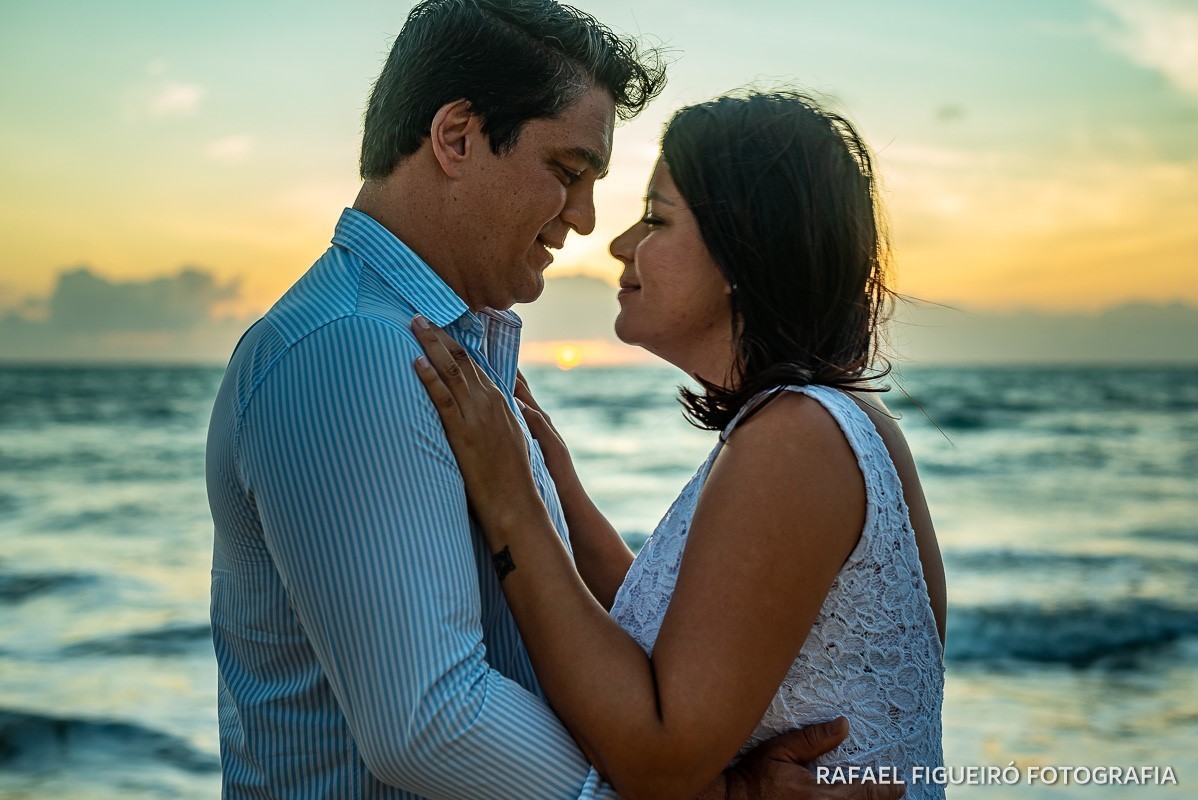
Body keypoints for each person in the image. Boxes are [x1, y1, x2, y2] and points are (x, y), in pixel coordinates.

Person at [206, 0, 904, 797]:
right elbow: (431, 722)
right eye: (568, 173)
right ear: (457, 137)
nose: (586, 221)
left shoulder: (442, 355)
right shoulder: (351, 349)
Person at [411, 91, 947, 799]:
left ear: (741, 255)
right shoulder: (833, 423)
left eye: (656, 220)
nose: (620, 244)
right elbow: (681, 629)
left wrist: (513, 502)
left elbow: (658, 760)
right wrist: (552, 479)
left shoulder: (796, 442)